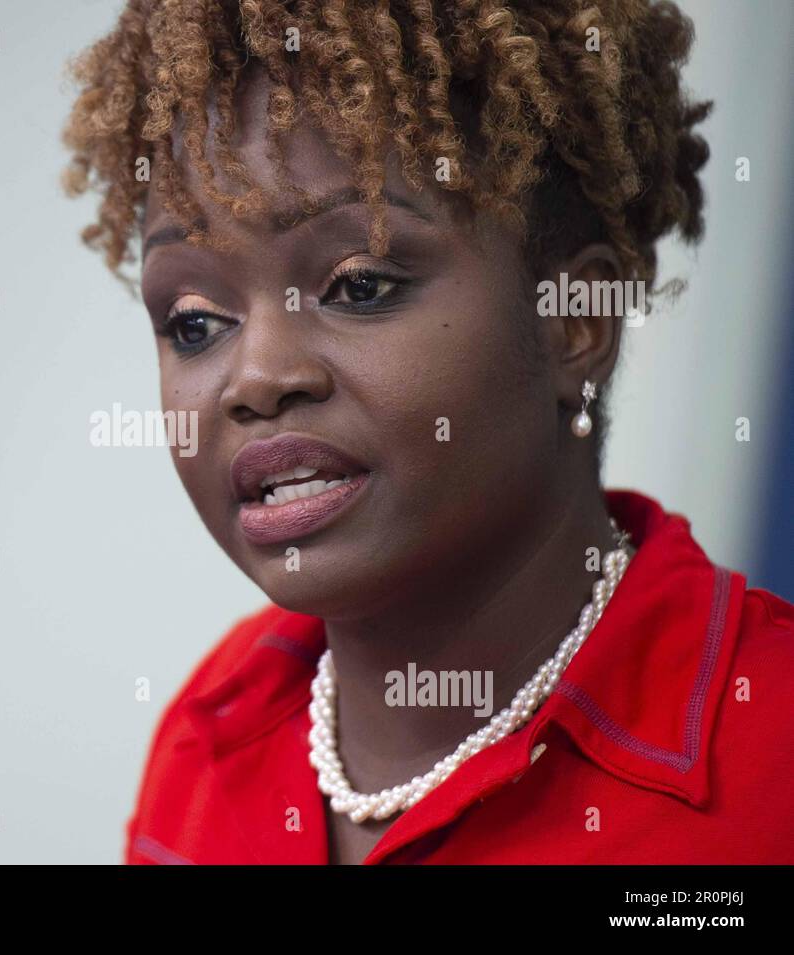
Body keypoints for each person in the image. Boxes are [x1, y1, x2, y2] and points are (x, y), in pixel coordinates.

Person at [60, 0, 794, 863]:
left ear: (574, 324)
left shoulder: (766, 759)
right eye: (193, 322)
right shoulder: (208, 737)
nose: (256, 377)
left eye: (359, 285)